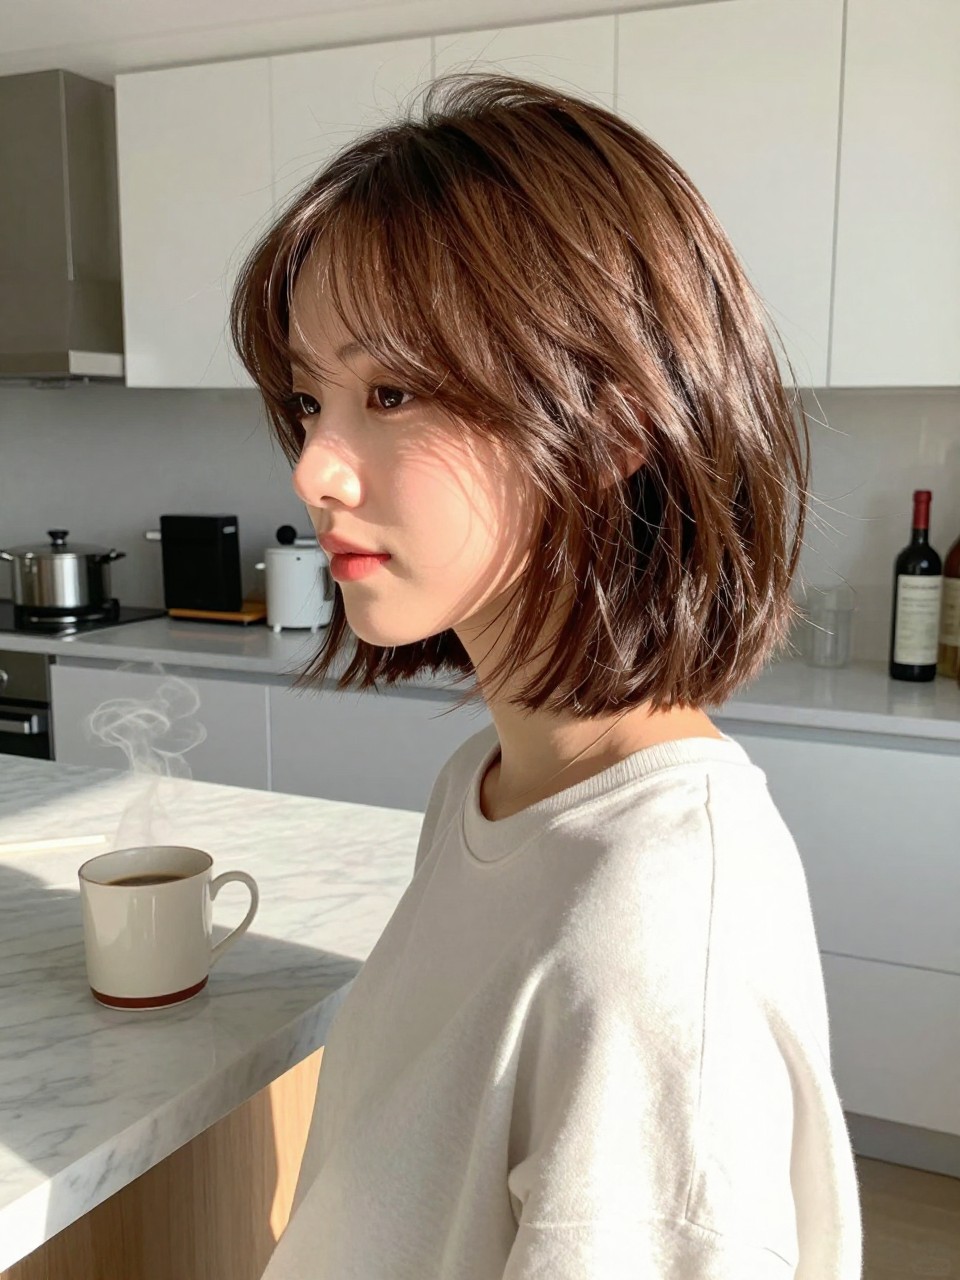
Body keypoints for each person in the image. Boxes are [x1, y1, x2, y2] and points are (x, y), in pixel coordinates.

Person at [231, 72, 863, 1279]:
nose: (314, 466)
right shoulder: (492, 785)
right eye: (311, 397)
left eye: (394, 390)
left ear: (614, 415)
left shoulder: (657, 936)